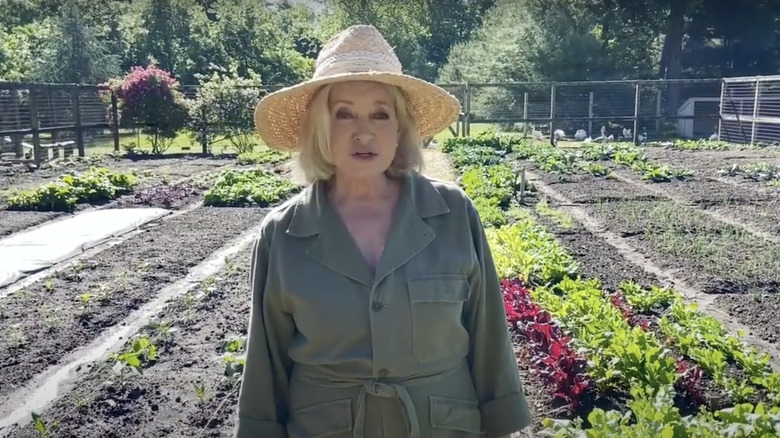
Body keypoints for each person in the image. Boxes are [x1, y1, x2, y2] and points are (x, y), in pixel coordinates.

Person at [233, 24, 532, 438]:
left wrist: (502, 422)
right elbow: (266, 361)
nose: (363, 131)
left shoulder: (453, 214)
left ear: (400, 128)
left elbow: (489, 336)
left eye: (379, 113)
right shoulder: (283, 234)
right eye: (344, 114)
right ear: (321, 128)